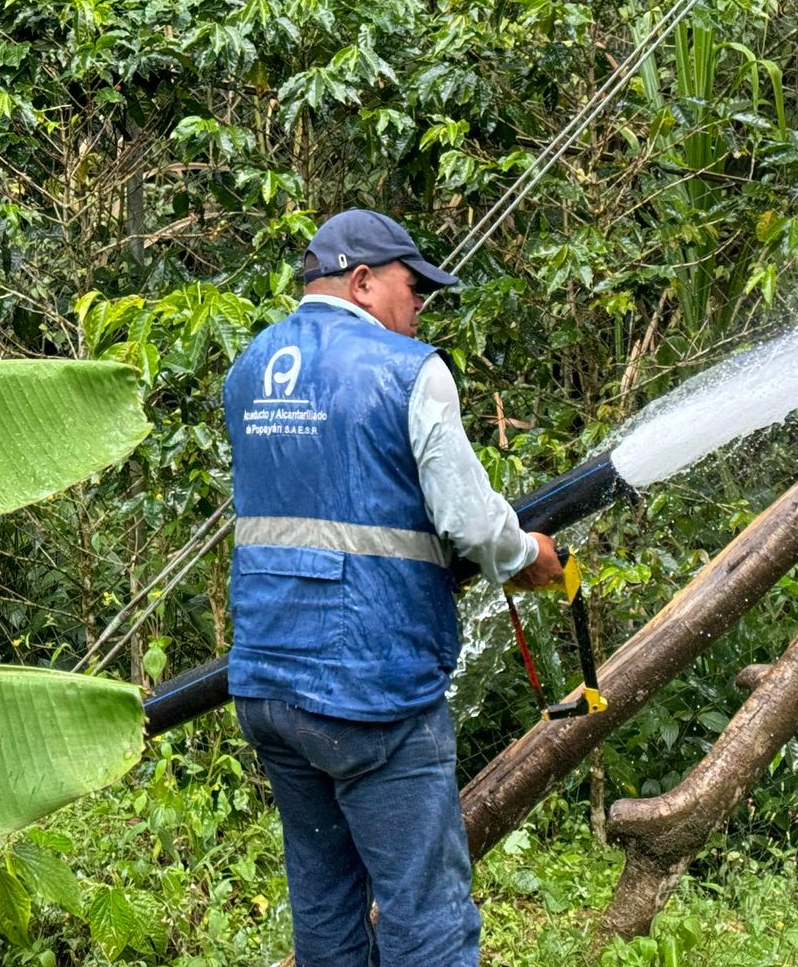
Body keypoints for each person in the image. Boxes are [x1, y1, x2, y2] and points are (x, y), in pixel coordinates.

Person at [222, 208, 563, 967]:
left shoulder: (249, 368)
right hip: (369, 692)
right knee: (426, 919)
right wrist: (530, 553)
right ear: (365, 280)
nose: (418, 312)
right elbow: (473, 526)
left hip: (269, 690)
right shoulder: (409, 370)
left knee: (326, 911)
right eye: (414, 290)